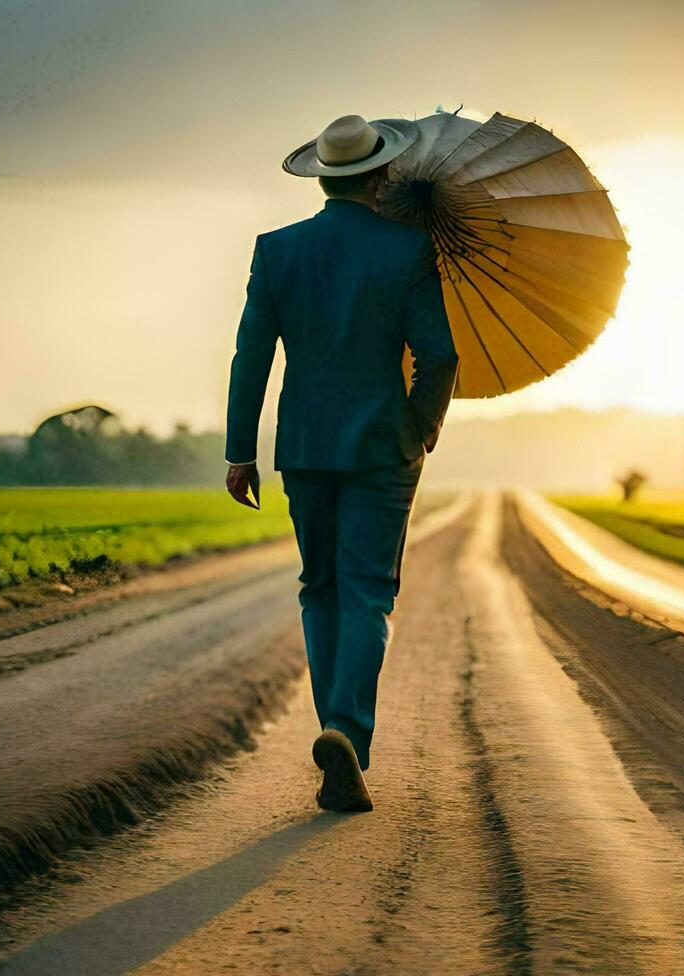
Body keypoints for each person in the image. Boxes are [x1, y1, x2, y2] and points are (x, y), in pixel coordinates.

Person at [223, 114, 458, 812]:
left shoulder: (276, 251)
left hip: (303, 446)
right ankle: (346, 731)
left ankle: (336, 730)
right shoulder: (408, 250)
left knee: (318, 587)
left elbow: (252, 357)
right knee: (367, 592)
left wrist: (241, 451)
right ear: (380, 178)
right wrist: (420, 428)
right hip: (384, 446)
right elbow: (440, 356)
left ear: (323, 178)